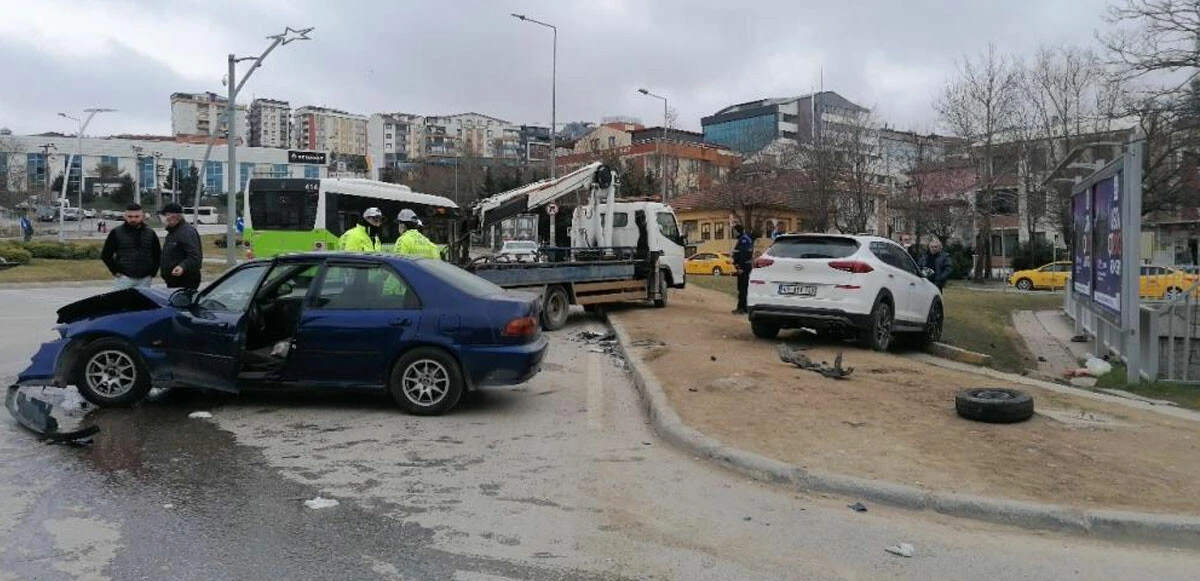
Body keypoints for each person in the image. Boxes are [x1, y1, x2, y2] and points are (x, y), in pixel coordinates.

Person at [101, 203, 161, 290]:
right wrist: (115, 270)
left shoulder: (150, 233)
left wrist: (153, 272)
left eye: (137, 216)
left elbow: (157, 254)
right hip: (124, 278)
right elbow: (106, 254)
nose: (133, 219)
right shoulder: (116, 232)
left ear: (142, 216)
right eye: (130, 216)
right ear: (125, 216)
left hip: (145, 279)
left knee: (142, 303)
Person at [159, 203, 203, 290]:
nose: (162, 219)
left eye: (165, 215)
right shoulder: (173, 232)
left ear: (174, 216)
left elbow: (195, 256)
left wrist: (182, 266)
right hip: (174, 280)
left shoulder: (186, 232)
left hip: (185, 281)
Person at [731, 223, 754, 314]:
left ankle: (743, 308)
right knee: (741, 288)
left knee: (743, 288)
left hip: (743, 268)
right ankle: (741, 307)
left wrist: (740, 267)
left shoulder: (744, 240)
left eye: (734, 231)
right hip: (741, 267)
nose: (733, 233)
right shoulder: (742, 239)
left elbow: (744, 255)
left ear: (737, 231)